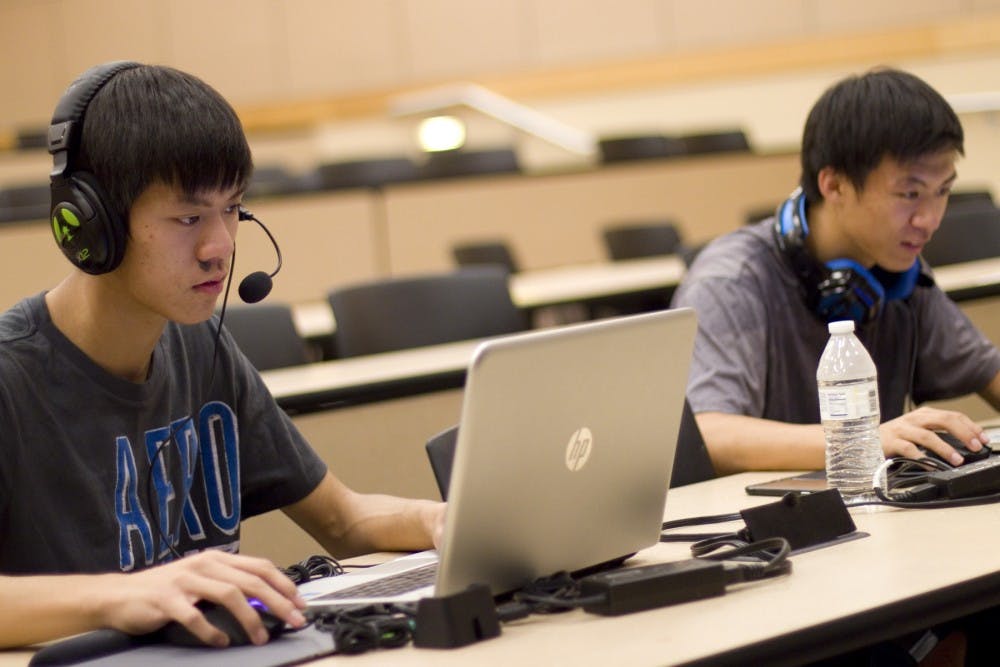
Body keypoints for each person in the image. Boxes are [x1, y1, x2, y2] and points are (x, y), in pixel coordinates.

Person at [0, 62, 445, 649]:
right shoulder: (13, 377)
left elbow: (344, 520)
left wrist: (442, 521)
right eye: (188, 218)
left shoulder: (200, 343)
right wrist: (124, 595)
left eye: (232, 209)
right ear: (92, 224)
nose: (221, 248)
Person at [672, 67, 1000, 476]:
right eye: (910, 194)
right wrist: (862, 440)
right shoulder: (731, 281)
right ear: (834, 185)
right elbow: (712, 431)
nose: (930, 220)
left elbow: (990, 372)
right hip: (774, 528)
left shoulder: (897, 272)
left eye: (943, 191)